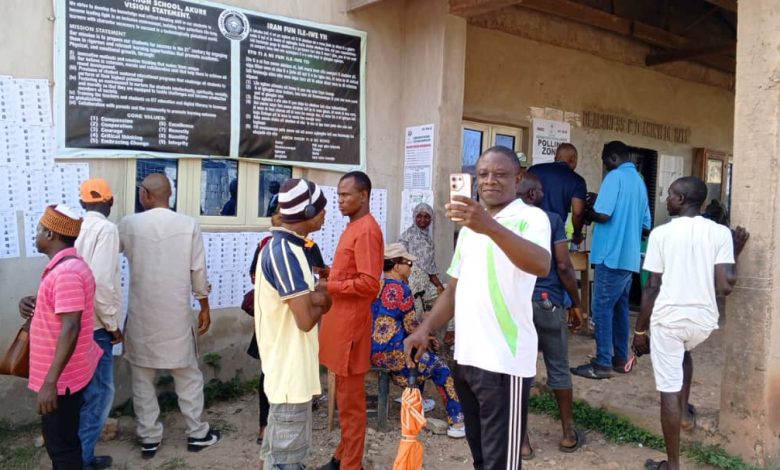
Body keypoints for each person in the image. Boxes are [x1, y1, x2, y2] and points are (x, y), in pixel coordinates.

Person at [405, 146, 551, 469]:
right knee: (481, 459)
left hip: (504, 363)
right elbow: (454, 288)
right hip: (467, 359)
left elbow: (541, 264)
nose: (489, 181)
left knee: (502, 464)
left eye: (500, 174)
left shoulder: (531, 218)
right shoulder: (470, 227)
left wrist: (488, 225)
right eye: (483, 174)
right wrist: (424, 329)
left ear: (519, 178)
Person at [632, 177, 749, 470]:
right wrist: (734, 251)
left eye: (670, 195)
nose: (666, 200)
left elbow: (652, 287)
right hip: (703, 322)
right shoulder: (721, 233)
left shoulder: (661, 234)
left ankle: (672, 464)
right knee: (684, 353)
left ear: (681, 199)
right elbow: (726, 286)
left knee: (667, 390)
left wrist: (639, 329)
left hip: (669, 321)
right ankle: (684, 413)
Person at [119, 173, 219, 459]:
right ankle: (197, 433)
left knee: (142, 379)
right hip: (175, 316)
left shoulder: (127, 224)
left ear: (146, 195)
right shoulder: (188, 225)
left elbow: (107, 256)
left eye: (140, 192)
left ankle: (149, 437)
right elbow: (198, 271)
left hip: (141, 316)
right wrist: (205, 307)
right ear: (169, 194)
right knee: (187, 377)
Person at [255, 178, 332, 470]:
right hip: (289, 373)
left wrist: (318, 296)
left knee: (276, 455)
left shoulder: (292, 248)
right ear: (308, 210)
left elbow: (310, 304)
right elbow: (305, 320)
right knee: (288, 461)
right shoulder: (285, 253)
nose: (325, 213)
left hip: (288, 370)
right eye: (321, 208)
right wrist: (324, 294)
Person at [18, 205, 101, 469]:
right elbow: (61, 313)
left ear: (51, 235)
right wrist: (33, 303)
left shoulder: (66, 273)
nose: (36, 235)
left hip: (61, 380)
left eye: (39, 230)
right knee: (66, 440)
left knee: (61, 448)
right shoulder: (65, 268)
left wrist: (50, 383)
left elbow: (70, 327)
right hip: (64, 376)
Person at [318, 171, 384, 470]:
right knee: (345, 403)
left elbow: (370, 283)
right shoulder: (354, 227)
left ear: (364, 195)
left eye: (346, 195)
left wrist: (331, 286)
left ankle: (350, 465)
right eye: (339, 195)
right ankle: (340, 456)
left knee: (351, 407)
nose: (340, 200)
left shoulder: (367, 230)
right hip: (340, 324)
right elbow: (352, 272)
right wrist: (330, 273)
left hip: (351, 330)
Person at [517, 173, 585, 459]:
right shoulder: (551, 219)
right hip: (548, 301)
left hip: (517, 303)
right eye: (541, 189)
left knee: (519, 371)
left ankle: (521, 441)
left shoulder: (505, 222)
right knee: (558, 365)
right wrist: (577, 304)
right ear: (532, 194)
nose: (545, 192)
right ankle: (569, 433)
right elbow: (564, 266)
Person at [571, 141, 651, 380]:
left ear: (613, 158)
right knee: (619, 308)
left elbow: (604, 215)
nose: (605, 165)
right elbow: (645, 225)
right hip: (629, 257)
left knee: (602, 309)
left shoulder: (614, 178)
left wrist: (587, 211)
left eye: (605, 160)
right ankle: (618, 357)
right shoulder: (639, 181)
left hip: (610, 255)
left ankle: (602, 362)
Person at [370, 243, 465, 438]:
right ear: (397, 266)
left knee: (421, 355)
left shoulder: (377, 286)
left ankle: (416, 404)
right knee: (440, 367)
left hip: (375, 352)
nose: (411, 268)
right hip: (395, 355)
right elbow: (412, 326)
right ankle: (457, 421)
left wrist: (427, 338)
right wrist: (429, 339)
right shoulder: (402, 289)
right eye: (408, 263)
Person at [75, 179, 124, 470]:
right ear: (110, 202)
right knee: (101, 392)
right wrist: (112, 324)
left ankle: (77, 454)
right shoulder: (106, 229)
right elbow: (101, 282)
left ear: (82, 203)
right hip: (95, 326)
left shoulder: (75, 226)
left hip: (73, 324)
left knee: (81, 392)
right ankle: (83, 459)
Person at [527, 143, 587, 245]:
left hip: (528, 228)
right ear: (573, 159)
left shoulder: (534, 170)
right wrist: (577, 234)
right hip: (554, 233)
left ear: (555, 157)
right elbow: (577, 213)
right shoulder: (577, 180)